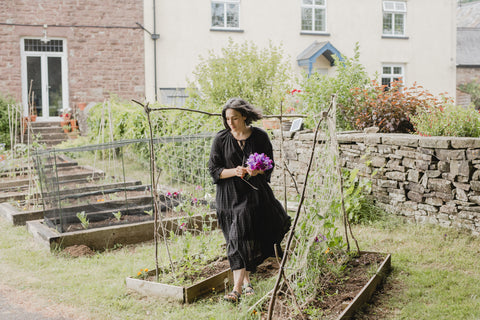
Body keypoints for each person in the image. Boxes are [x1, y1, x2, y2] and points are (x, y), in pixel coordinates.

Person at [208, 98, 291, 303]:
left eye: (234, 118)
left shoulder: (260, 137)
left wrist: (257, 170)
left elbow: (268, 166)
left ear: (244, 116)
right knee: (235, 240)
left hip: (253, 196)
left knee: (240, 237)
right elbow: (214, 170)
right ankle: (245, 285)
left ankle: (236, 289)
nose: (231, 123)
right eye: (227, 119)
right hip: (228, 197)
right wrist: (234, 171)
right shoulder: (221, 139)